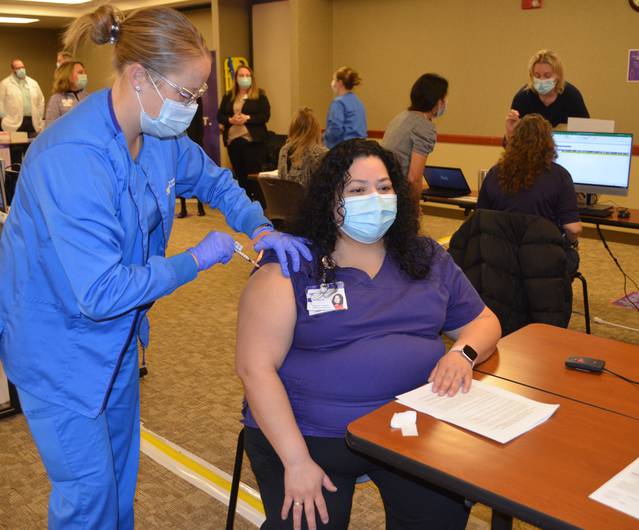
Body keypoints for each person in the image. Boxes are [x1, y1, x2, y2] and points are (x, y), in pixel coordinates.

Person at [0, 5, 311, 528]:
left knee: (118, 476)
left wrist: (259, 225)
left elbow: (215, 181)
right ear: (139, 78)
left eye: (197, 94)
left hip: (115, 337)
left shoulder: (158, 137)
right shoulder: (74, 157)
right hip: (57, 342)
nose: (193, 107)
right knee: (88, 493)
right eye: (185, 93)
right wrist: (194, 259)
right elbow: (102, 291)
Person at [236, 139, 501, 530]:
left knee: (440, 518)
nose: (374, 199)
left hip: (410, 429)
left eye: (384, 187)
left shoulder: (425, 257)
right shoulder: (291, 266)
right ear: (329, 200)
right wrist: (295, 461)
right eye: (357, 190)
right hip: (309, 435)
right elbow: (255, 369)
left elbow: (485, 322)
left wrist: (462, 353)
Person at [478, 114, 582, 273]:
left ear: (514, 141)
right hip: (543, 261)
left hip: (500, 258)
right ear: (549, 144)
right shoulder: (560, 176)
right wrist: (571, 243)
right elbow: (573, 229)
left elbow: (480, 218)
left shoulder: (495, 173)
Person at [382, 73, 447, 200]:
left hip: (383, 188)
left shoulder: (401, 116)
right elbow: (414, 178)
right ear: (437, 101)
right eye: (444, 98)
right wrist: (415, 209)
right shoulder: (425, 126)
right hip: (397, 194)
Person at [505, 49, 589, 139]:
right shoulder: (523, 98)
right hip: (532, 151)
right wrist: (510, 133)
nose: (542, 80)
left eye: (547, 76)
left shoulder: (572, 97)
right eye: (537, 76)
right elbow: (511, 149)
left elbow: (587, 134)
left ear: (558, 76)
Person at [217, 64, 270, 200]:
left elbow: (265, 116)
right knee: (240, 177)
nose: (244, 78)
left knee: (252, 176)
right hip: (233, 141)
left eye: (247, 75)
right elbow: (220, 115)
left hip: (253, 142)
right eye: (241, 75)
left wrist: (248, 118)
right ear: (236, 78)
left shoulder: (260, 95)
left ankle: (257, 203)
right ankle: (244, 203)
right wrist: (231, 120)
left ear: (252, 78)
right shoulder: (229, 96)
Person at [277, 107, 328, 187]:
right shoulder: (321, 154)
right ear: (316, 129)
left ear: (292, 128)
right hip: (310, 199)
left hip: (286, 198)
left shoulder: (284, 151)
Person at [0, 58, 45, 135]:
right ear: (12, 69)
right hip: (13, 122)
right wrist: (3, 118)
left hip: (32, 121)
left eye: (23, 67)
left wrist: (40, 116)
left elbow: (41, 101)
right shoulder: (5, 84)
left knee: (31, 145)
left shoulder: (33, 83)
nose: (21, 70)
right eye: (18, 68)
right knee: (17, 145)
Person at [323, 67, 367, 149]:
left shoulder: (338, 103)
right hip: (360, 148)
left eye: (334, 79)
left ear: (340, 83)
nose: (332, 83)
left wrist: (323, 140)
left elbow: (335, 130)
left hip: (343, 150)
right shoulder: (358, 101)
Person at [178, 95, 206, 218]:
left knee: (197, 174)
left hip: (195, 140)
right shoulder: (176, 96)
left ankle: (200, 206)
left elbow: (199, 122)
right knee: (181, 174)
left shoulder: (196, 98)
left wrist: (197, 143)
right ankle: (183, 208)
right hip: (179, 139)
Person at [44, 60, 89, 125]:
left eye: (85, 72)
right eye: (80, 72)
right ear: (68, 76)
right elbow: (50, 127)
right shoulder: (56, 99)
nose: (85, 75)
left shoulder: (87, 96)